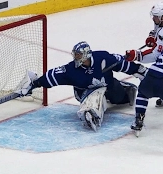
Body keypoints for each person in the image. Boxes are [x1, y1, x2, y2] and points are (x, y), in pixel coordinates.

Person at [19, 41, 148, 132]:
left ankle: (123, 88)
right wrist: (35, 84)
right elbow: (52, 77)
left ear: (86, 54)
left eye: (78, 55)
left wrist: (140, 70)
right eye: (75, 55)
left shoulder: (103, 58)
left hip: (109, 84)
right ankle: (91, 112)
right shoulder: (71, 70)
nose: (76, 57)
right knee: (96, 95)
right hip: (84, 92)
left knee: (121, 98)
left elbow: (124, 64)